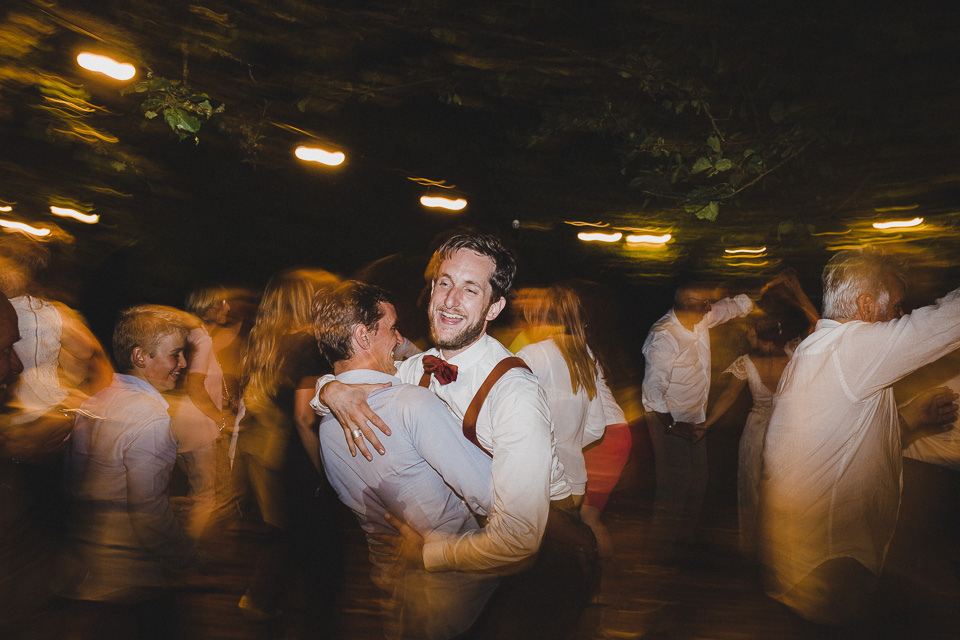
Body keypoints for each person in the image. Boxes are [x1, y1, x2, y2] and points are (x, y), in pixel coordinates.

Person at [314, 231, 593, 639]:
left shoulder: (514, 393)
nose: (450, 300)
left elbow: (519, 539)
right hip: (468, 556)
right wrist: (329, 390)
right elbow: (361, 373)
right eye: (444, 283)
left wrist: (428, 552)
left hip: (543, 555)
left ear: (495, 306)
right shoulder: (418, 369)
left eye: (470, 289)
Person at [759, 248, 960, 625]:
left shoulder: (828, 354)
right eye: (897, 307)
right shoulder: (848, 348)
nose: (900, 317)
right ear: (867, 307)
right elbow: (949, 321)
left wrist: (912, 418)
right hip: (829, 565)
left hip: (818, 559)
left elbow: (850, 445)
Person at [314, 281, 498, 639]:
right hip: (462, 590)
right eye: (392, 328)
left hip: (394, 591)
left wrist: (328, 387)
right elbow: (492, 495)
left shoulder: (327, 427)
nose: (399, 339)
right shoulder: (410, 404)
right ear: (362, 336)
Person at [60, 305, 198, 637]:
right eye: (175, 354)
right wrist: (183, 554)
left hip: (89, 560)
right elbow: (148, 509)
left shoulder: (99, 399)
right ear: (140, 357)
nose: (183, 364)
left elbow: (74, 475)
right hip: (131, 567)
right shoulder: (151, 417)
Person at [233, 268, 342, 624]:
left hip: (275, 457)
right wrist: (326, 473)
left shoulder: (268, 343)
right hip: (302, 458)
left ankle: (262, 603)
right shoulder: (312, 344)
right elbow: (305, 415)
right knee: (320, 566)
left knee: (288, 540)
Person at [696, 273, 819, 554]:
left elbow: (728, 396)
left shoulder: (746, 363)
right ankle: (785, 546)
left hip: (756, 434)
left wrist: (706, 425)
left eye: (750, 330)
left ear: (761, 332)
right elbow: (816, 322)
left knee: (753, 491)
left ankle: (756, 548)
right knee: (786, 490)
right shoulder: (794, 353)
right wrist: (797, 293)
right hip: (789, 431)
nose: (746, 334)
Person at [640, 279, 755, 559]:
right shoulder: (664, 336)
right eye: (704, 304)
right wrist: (671, 426)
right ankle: (662, 548)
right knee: (674, 484)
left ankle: (684, 541)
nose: (709, 308)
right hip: (666, 417)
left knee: (698, 479)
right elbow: (653, 393)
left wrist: (757, 296)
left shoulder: (701, 317)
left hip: (693, 416)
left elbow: (730, 308)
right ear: (687, 304)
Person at [168, 288, 229, 544]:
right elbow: (195, 386)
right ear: (209, 306)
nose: (228, 307)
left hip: (179, 424)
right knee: (206, 496)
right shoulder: (201, 340)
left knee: (189, 494)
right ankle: (187, 556)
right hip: (196, 428)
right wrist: (223, 419)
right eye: (223, 302)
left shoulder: (193, 336)